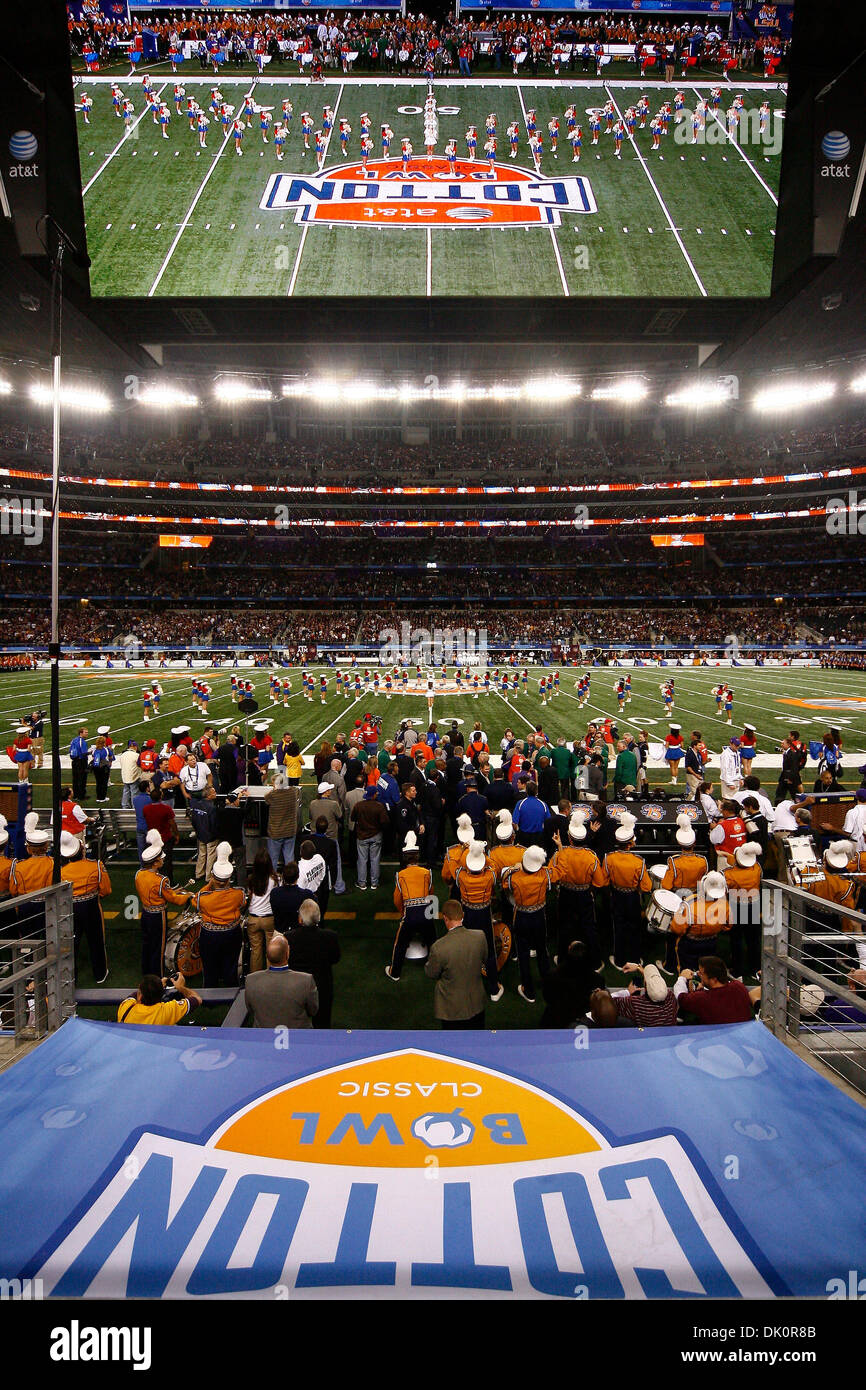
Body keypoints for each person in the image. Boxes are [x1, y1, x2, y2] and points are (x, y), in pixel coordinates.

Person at [135, 831, 192, 977]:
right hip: (158, 916)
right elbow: (175, 899)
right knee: (158, 948)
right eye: (161, 858)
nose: (163, 860)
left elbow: (159, 892)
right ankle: (159, 977)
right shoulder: (161, 880)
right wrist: (187, 896)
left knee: (147, 945)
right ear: (155, 862)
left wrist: (172, 891)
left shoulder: (139, 874)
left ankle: (146, 972)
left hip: (146, 913)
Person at [424, 900, 488, 1029]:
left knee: (452, 1044)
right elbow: (484, 958)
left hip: (451, 1009)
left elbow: (431, 973)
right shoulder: (480, 937)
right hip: (476, 1004)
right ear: (462, 915)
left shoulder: (439, 947)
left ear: (445, 918)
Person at [60, 830, 111, 983]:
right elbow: (106, 890)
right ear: (81, 850)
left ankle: (70, 976)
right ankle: (100, 974)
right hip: (91, 907)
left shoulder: (61, 871)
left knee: (70, 942)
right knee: (96, 940)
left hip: (68, 907)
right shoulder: (95, 866)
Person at [194, 842, 245, 987]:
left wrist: (210, 884)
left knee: (210, 967)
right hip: (232, 934)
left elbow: (194, 900)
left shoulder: (203, 898)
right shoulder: (238, 894)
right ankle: (231, 994)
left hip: (209, 936)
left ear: (213, 877)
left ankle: (210, 996)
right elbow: (242, 904)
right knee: (231, 964)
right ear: (229, 879)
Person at [387, 831, 435, 982]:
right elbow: (431, 895)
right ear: (418, 856)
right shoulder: (427, 873)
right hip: (426, 913)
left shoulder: (400, 875)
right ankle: (437, 969)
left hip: (410, 915)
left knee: (400, 944)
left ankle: (395, 973)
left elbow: (397, 900)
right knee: (433, 941)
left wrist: (403, 913)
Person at [285, 899, 341, 1028]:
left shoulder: (289, 938)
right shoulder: (330, 937)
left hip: (296, 987)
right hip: (322, 986)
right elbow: (335, 958)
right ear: (319, 918)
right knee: (323, 1024)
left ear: (300, 918)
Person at [245, 933, 318, 1029]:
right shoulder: (306, 980)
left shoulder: (251, 980)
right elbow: (313, 1011)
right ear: (287, 953)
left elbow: (251, 1009)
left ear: (267, 956)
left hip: (263, 1037)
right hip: (299, 1038)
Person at [675, 956, 757, 1023]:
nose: (698, 974)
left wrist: (682, 978)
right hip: (742, 1035)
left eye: (701, 973)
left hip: (716, 1039)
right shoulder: (739, 986)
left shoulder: (702, 998)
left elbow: (681, 997)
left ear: (714, 979)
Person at [540, 940, 598, 1026]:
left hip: (555, 1018)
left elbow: (547, 997)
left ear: (569, 950)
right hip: (583, 1019)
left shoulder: (552, 976)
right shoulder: (596, 979)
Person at [117, 972, 202, 1026]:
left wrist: (157, 985)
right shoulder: (167, 1010)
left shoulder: (126, 1007)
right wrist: (181, 987)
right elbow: (197, 999)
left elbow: (135, 995)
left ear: (140, 995)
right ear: (161, 995)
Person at [245, 848, 278, 974]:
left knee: (256, 951)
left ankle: (255, 977)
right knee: (271, 950)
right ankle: (271, 976)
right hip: (269, 919)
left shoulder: (251, 879)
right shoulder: (275, 880)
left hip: (253, 919)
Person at [615, 962, 678, 1026]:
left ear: (645, 988)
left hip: (641, 1032)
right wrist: (638, 968)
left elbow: (609, 1002)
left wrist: (627, 992)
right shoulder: (670, 999)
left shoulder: (634, 1003)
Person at [351, 785, 390, 890]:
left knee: (362, 860)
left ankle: (362, 883)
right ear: (374, 794)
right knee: (375, 859)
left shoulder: (358, 805)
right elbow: (385, 821)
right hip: (376, 835)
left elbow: (353, 818)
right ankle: (374, 883)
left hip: (362, 836)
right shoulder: (379, 806)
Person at [265, 773, 300, 873]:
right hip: (290, 830)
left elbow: (266, 798)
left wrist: (274, 790)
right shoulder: (293, 792)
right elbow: (296, 790)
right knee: (289, 857)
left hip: (276, 832)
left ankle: (273, 881)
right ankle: (291, 879)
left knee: (273, 859)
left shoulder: (273, 795)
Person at [270, 861, 317, 934]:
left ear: (283, 876)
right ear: (298, 876)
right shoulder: (307, 894)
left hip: (280, 934)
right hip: (298, 935)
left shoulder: (275, 893)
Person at [70, 726, 89, 802]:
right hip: (81, 761)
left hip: (74, 761)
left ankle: (75, 795)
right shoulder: (82, 742)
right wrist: (90, 752)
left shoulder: (74, 740)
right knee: (82, 778)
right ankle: (81, 796)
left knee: (75, 778)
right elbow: (84, 753)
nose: (87, 734)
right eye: (86, 732)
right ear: (81, 733)